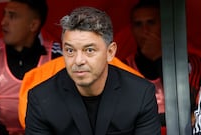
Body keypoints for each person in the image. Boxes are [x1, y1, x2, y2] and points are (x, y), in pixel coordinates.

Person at [25, 6, 161, 135]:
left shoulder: (140, 94)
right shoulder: (41, 99)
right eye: (70, 50)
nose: (78, 61)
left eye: (89, 50)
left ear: (110, 52)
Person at [0, 0, 62, 134]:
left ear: (33, 25)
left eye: (12, 16)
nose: (3, 22)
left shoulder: (57, 57)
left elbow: (64, 113)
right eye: (4, 15)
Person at [124, 0, 201, 133]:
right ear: (132, 29)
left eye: (151, 22)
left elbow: (189, 108)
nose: (145, 31)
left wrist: (159, 57)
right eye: (138, 24)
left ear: (165, 25)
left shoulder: (193, 62)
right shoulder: (123, 67)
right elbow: (125, 117)